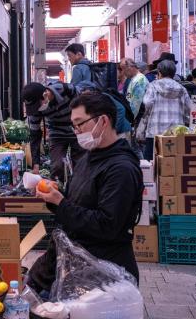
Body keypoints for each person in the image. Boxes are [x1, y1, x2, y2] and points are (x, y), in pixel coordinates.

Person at [27, 91, 143, 295]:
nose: (76, 131)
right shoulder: (89, 157)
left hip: (99, 275)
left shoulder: (121, 169)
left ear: (103, 120)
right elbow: (79, 203)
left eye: (80, 123)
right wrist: (55, 196)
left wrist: (62, 204)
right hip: (69, 262)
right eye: (74, 125)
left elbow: (107, 225)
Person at [23, 82, 85, 182]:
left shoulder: (65, 89)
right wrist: (36, 164)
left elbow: (85, 101)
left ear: (45, 95)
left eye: (37, 105)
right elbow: (35, 134)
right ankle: (57, 191)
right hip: (56, 132)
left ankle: (79, 190)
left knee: (80, 164)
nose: (37, 110)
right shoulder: (35, 110)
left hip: (78, 129)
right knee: (57, 167)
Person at [140, 60, 191, 160]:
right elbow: (189, 109)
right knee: (173, 163)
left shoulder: (153, 86)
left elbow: (147, 103)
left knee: (152, 163)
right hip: (175, 133)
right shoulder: (181, 88)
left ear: (159, 72)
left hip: (155, 131)